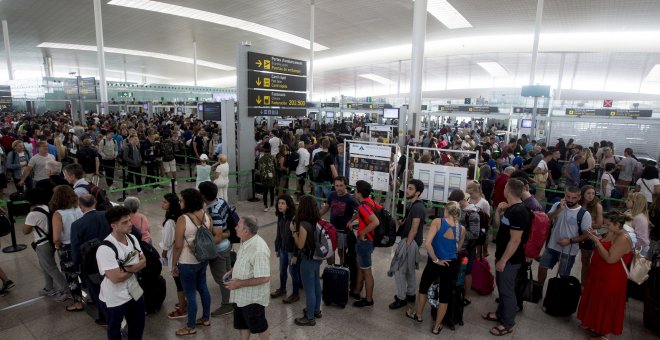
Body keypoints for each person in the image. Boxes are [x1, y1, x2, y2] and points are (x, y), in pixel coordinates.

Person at [481, 178, 531, 336]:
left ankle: (508, 323)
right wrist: (498, 211)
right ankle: (500, 314)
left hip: (511, 259)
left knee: (507, 291)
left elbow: (515, 240)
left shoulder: (519, 212)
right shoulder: (511, 209)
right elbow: (499, 228)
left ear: (508, 190)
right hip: (503, 255)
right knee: (502, 288)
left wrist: (503, 260)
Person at [405, 201, 464, 335]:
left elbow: (428, 244)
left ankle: (418, 315)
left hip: (435, 262)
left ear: (446, 211)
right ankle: (437, 326)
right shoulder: (461, 229)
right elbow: (458, 249)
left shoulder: (438, 222)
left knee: (424, 287)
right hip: (450, 264)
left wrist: (437, 259)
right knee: (445, 295)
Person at [577, 211, 633, 340]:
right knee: (596, 298)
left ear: (617, 224)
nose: (606, 226)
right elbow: (605, 243)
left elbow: (610, 259)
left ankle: (606, 335)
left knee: (606, 303)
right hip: (599, 274)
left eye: (608, 224)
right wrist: (596, 236)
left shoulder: (623, 238)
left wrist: (597, 242)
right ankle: (593, 324)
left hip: (612, 277)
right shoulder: (613, 232)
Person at [171, 188, 219, 336]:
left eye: (181, 200)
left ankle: (190, 326)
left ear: (188, 201)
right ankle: (205, 318)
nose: (179, 202)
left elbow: (178, 245)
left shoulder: (182, 219)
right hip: (202, 259)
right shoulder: (206, 216)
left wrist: (173, 264)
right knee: (203, 287)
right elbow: (209, 237)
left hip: (187, 261)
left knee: (190, 293)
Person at [97, 206, 147, 340]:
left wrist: (125, 268)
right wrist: (134, 268)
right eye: (125, 222)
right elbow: (116, 278)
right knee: (115, 331)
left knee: (138, 325)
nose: (130, 224)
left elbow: (144, 261)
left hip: (134, 291)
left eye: (129, 220)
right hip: (115, 298)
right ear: (113, 225)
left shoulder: (131, 238)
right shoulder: (105, 249)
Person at [225, 215, 271, 339]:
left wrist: (238, 283)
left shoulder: (259, 250)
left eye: (238, 225)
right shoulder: (245, 241)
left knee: (260, 326)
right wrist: (231, 271)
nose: (235, 227)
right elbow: (242, 260)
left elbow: (264, 278)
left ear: (246, 231)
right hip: (241, 296)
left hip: (252, 299)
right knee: (242, 324)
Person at [537, 186, 592, 288]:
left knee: (563, 274)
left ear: (579, 197)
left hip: (569, 251)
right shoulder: (558, 205)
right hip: (552, 246)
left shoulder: (584, 214)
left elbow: (586, 235)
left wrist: (570, 241)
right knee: (542, 267)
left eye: (573, 197)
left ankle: (558, 296)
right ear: (564, 195)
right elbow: (547, 219)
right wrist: (559, 210)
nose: (570, 200)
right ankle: (539, 288)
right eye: (568, 196)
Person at [70, 194, 112, 325]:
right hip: (111, 257)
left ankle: (104, 316)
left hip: (91, 263)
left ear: (81, 206)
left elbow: (75, 248)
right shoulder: (106, 215)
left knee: (96, 291)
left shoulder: (77, 224)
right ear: (95, 203)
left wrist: (76, 266)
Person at [22, 187, 69, 301]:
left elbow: (25, 231)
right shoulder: (48, 208)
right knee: (45, 266)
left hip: (42, 244)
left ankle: (67, 290)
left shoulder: (32, 214)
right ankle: (49, 287)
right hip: (51, 240)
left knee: (51, 267)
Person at [198, 181, 234, 318]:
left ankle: (227, 305)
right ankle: (233, 298)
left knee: (221, 278)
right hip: (226, 245)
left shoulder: (213, 211)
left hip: (219, 249)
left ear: (203, 196)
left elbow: (217, 238)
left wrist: (200, 245)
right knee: (228, 274)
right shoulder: (221, 202)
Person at [388, 179, 426, 310]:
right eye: (408, 188)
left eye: (411, 189)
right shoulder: (414, 205)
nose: (407, 190)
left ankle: (401, 298)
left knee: (399, 270)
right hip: (411, 242)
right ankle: (410, 294)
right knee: (409, 270)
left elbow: (414, 229)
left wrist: (406, 245)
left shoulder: (417, 207)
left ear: (418, 193)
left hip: (410, 243)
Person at [50, 185, 84, 311]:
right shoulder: (78, 209)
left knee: (71, 276)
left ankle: (78, 302)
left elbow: (56, 237)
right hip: (81, 245)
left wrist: (57, 246)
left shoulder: (58, 214)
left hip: (67, 247)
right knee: (84, 272)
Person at [291, 195, 323, 326]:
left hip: (307, 260)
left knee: (309, 289)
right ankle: (316, 310)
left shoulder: (304, 224)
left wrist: (294, 232)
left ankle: (309, 318)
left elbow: (300, 244)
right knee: (316, 285)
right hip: (317, 258)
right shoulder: (317, 221)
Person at [349, 180, 379, 307]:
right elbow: (362, 213)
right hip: (369, 241)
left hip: (365, 242)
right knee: (362, 267)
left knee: (367, 271)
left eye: (356, 190)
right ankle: (356, 291)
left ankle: (368, 299)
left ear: (359, 193)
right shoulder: (369, 202)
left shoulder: (363, 206)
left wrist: (362, 233)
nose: (354, 192)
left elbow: (375, 221)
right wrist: (352, 219)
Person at [319, 176, 359, 266]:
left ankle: (342, 269)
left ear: (345, 186)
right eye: (337, 185)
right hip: (331, 229)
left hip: (343, 231)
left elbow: (361, 211)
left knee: (341, 252)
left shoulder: (350, 199)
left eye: (341, 185)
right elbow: (326, 208)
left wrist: (351, 221)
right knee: (329, 250)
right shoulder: (332, 195)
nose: (339, 188)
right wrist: (316, 216)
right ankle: (330, 269)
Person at [160, 193, 187, 320]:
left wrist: (164, 253)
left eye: (165, 202)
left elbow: (167, 241)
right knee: (182, 280)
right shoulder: (181, 216)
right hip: (184, 252)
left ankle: (182, 308)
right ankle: (183, 302)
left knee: (178, 282)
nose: (162, 204)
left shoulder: (170, 221)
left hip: (174, 253)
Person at [271, 194, 300, 304]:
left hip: (291, 250)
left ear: (288, 205)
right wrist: (277, 247)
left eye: (283, 203)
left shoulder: (294, 218)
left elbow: (297, 237)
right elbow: (278, 233)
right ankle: (282, 289)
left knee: (293, 272)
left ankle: (295, 294)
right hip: (282, 248)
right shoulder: (280, 216)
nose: (280, 205)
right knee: (282, 270)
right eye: (279, 203)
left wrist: (295, 254)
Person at [578, 185, 604, 285]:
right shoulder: (578, 203)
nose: (591, 196)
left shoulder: (597, 206)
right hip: (575, 234)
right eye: (588, 193)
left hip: (589, 236)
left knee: (585, 261)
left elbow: (599, 225)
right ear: (583, 194)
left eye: (593, 193)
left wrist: (583, 223)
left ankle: (583, 284)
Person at [311, 138, 338, 206]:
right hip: (326, 179)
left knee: (318, 197)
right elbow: (333, 169)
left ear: (321, 145)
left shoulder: (316, 154)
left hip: (316, 178)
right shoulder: (330, 156)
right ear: (328, 145)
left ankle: (318, 211)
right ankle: (332, 209)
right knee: (329, 196)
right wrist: (337, 178)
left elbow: (313, 164)